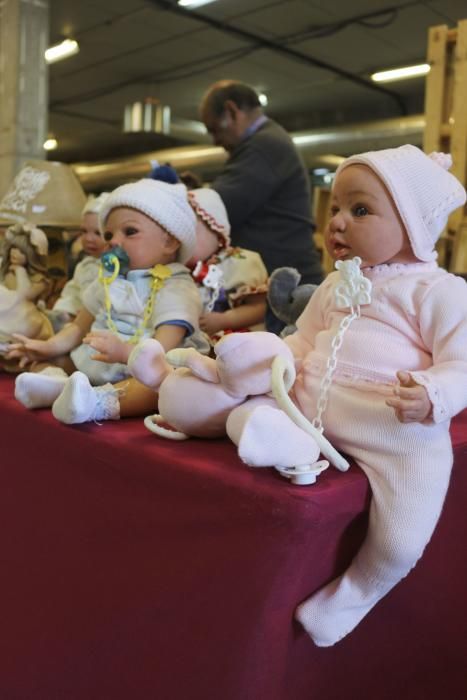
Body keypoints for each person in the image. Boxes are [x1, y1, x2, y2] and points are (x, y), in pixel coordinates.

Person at [126, 145, 467, 646]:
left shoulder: (437, 291)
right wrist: (269, 360)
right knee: (259, 397)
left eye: (361, 210)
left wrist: (432, 394)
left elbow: (462, 361)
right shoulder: (333, 284)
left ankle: (349, 599)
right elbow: (303, 341)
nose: (338, 224)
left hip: (395, 426)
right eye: (334, 210)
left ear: (414, 225)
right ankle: (262, 428)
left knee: (399, 542)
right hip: (312, 399)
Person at [10, 179, 203, 424]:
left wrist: (123, 352)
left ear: (170, 242)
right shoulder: (107, 279)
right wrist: (48, 346)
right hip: (95, 363)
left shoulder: (176, 286)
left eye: (129, 231)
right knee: (48, 360)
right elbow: (78, 327)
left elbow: (160, 351)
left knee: (162, 386)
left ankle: (96, 403)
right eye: (109, 234)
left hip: (143, 369)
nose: (112, 241)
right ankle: (56, 385)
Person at [200, 80, 323, 331]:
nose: (215, 141)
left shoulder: (263, 146)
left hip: (286, 287)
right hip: (285, 281)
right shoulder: (269, 140)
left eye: (214, 129)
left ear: (232, 111)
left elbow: (220, 208)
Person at [186, 187, 268, 339]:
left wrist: (224, 320)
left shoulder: (240, 262)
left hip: (239, 342)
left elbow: (259, 307)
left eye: (190, 232)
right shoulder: (177, 270)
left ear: (217, 231)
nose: (183, 240)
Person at [48, 193, 109, 331]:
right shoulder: (83, 266)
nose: (88, 238)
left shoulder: (116, 270)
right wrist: (65, 312)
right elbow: (73, 292)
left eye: (98, 233)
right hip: (78, 320)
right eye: (84, 231)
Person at [0, 223, 51, 303]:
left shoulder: (40, 280)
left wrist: (20, 271)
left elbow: (23, 298)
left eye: (21, 251)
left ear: (32, 256)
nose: (14, 253)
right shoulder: (7, 271)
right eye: (13, 248)